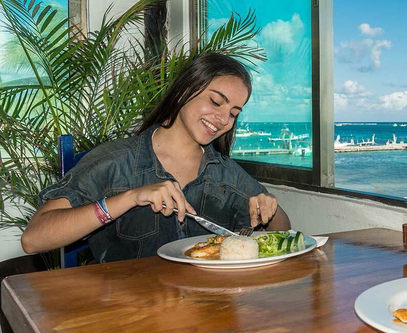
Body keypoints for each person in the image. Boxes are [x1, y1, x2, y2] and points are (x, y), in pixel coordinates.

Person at [22, 53, 290, 263]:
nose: (223, 119)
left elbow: (283, 231)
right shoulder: (115, 161)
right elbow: (34, 239)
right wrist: (129, 198)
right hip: (127, 314)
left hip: (207, 313)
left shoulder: (227, 174)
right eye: (216, 101)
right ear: (186, 89)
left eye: (233, 113)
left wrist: (271, 210)